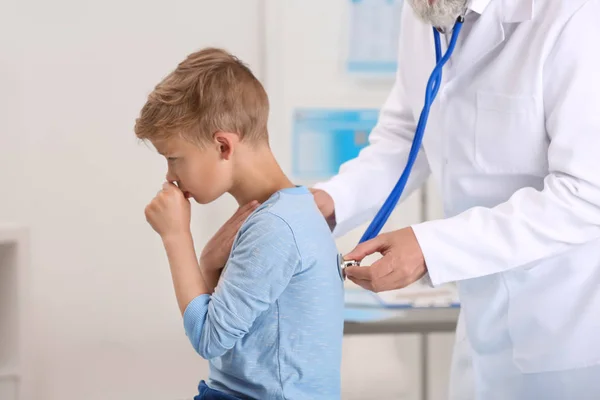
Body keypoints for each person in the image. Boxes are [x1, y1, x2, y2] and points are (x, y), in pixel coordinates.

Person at [312, 0, 600, 399]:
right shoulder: (424, 11)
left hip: (566, 338)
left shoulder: (575, 18)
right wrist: (329, 202)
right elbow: (407, 134)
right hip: (480, 326)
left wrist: (431, 248)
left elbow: (587, 195)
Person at [135, 48, 344, 400]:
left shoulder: (275, 227)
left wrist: (175, 237)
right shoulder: (289, 212)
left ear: (223, 146)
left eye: (174, 159)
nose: (170, 176)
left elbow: (210, 338)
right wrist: (208, 265)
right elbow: (245, 330)